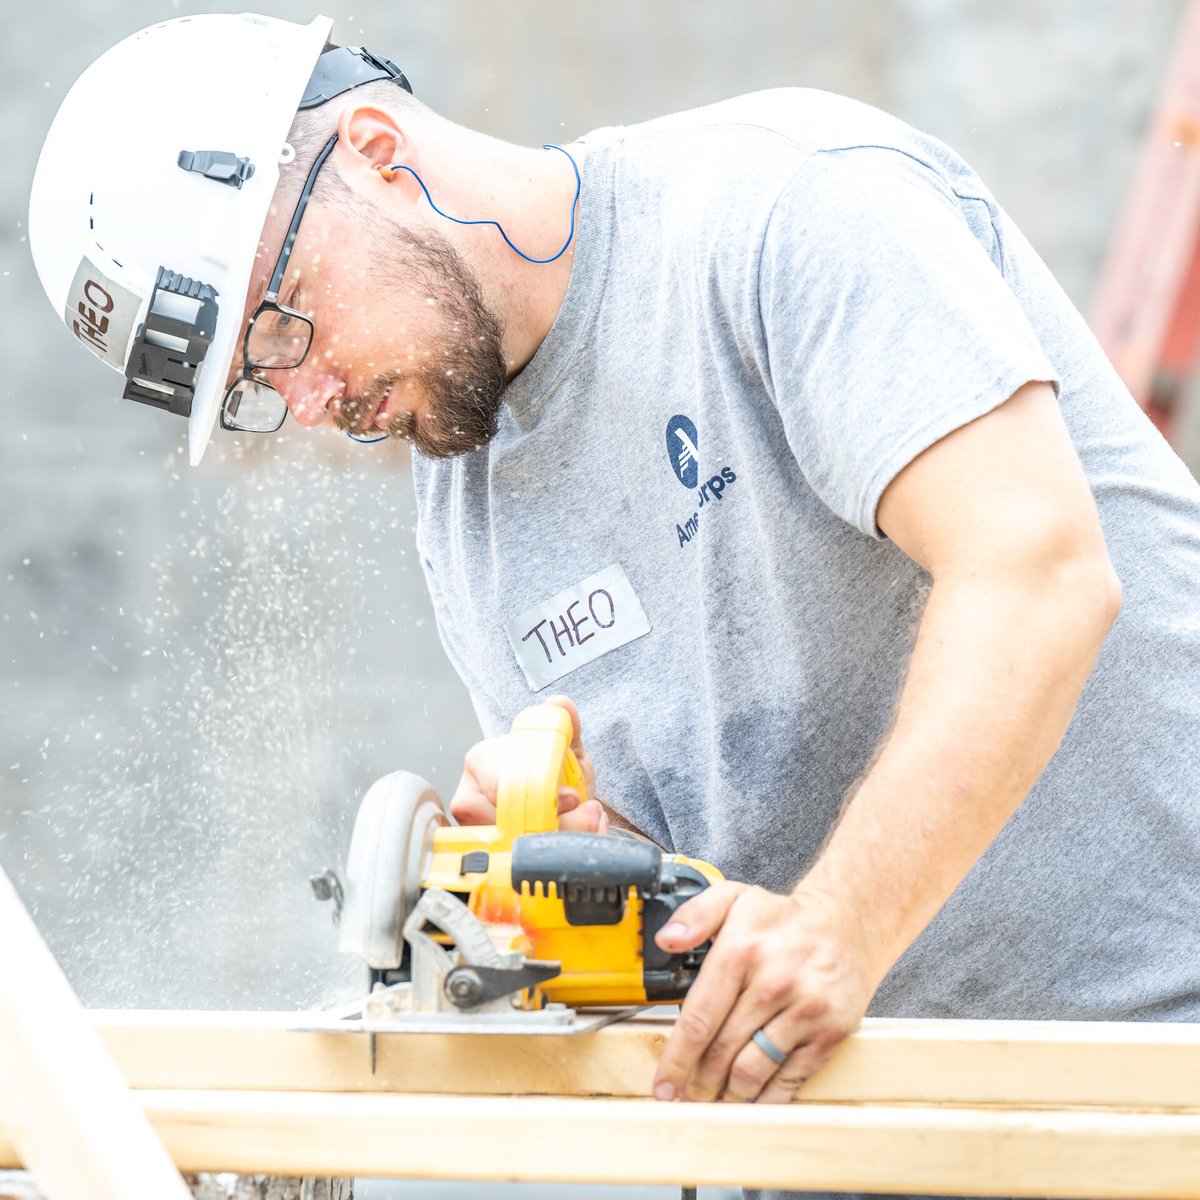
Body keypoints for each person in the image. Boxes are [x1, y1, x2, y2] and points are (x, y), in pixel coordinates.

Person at [30, 14, 1200, 1200]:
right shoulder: (468, 515)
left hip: (1159, 1070)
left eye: (286, 329)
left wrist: (838, 927)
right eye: (261, 389)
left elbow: (1040, 570)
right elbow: (725, 904)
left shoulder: (784, 210)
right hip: (875, 1148)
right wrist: (612, 877)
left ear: (376, 152)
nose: (315, 397)